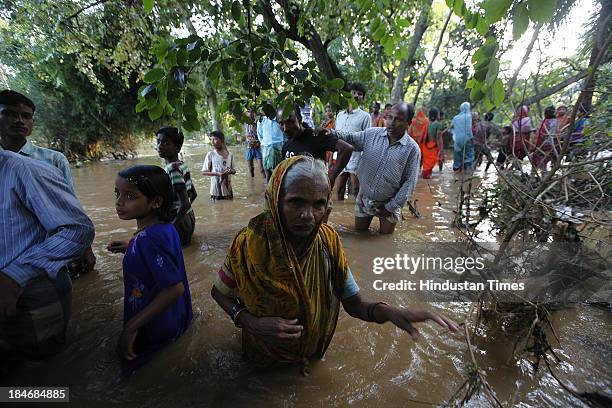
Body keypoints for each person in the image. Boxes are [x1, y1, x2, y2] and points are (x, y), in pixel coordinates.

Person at [210, 156, 458, 371]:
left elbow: (354, 304)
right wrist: (249, 322)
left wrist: (389, 312)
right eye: (296, 202)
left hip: (311, 356)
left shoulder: (327, 242)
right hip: (259, 357)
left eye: (318, 204)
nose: (308, 215)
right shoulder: (248, 243)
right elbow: (219, 292)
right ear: (275, 199)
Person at [0, 151, 95, 361]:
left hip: (31, 297)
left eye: (25, 115)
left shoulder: (29, 168)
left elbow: (78, 228)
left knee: (40, 382)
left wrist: (15, 274)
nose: (19, 121)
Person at [0, 89, 96, 277]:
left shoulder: (53, 159)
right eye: (10, 114)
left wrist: (85, 248)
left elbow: (72, 207)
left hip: (46, 256)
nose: (19, 120)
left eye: (26, 116)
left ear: (32, 123)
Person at [110, 165, 193, 375]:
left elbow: (174, 289)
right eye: (117, 193)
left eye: (130, 196)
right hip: (173, 317)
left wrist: (131, 327)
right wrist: (131, 245)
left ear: (156, 201)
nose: (119, 202)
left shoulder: (149, 240)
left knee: (136, 372)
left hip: (153, 324)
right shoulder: (165, 229)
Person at [325, 103, 420, 235]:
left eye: (398, 119)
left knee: (385, 241)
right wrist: (330, 133)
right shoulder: (372, 134)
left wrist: (390, 207)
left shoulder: (412, 149)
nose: (391, 123)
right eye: (389, 117)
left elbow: (409, 184)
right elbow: (350, 138)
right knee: (360, 235)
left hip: (390, 202)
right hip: (365, 196)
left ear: (408, 123)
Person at [279, 105, 353, 190]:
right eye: (281, 123)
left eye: (289, 122)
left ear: (299, 118)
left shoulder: (316, 135)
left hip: (317, 194)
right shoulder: (286, 146)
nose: (285, 128)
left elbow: (346, 149)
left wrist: (331, 177)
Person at [156, 126, 198, 246]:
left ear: (177, 148)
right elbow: (193, 194)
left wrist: (173, 225)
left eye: (166, 143)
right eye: (158, 142)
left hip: (179, 220)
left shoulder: (172, 170)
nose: (160, 146)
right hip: (188, 216)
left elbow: (184, 203)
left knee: (178, 253)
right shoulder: (181, 165)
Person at [334, 83, 371, 200]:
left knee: (356, 189)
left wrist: (366, 161)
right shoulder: (339, 115)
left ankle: (358, 213)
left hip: (356, 157)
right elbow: (335, 137)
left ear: (362, 98)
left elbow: (367, 139)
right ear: (347, 95)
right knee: (339, 188)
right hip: (340, 155)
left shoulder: (365, 116)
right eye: (353, 92)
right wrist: (331, 159)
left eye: (359, 94)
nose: (356, 95)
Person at [202, 130, 235, 200]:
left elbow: (234, 170)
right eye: (211, 139)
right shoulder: (210, 154)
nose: (212, 142)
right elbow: (204, 172)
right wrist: (218, 174)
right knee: (216, 209)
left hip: (228, 191)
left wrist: (230, 171)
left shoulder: (230, 155)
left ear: (222, 140)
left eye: (215, 139)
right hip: (215, 192)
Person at [257, 111, 286, 182]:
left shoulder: (280, 119)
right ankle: (268, 190)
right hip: (266, 147)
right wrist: (265, 144)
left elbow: (285, 133)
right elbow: (259, 135)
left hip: (279, 146)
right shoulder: (261, 120)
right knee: (268, 173)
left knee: (279, 172)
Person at [532, 106, 558, 170]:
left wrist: (547, 142)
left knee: (544, 160)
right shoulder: (544, 121)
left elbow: (551, 133)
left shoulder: (554, 121)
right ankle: (543, 175)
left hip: (547, 144)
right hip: (540, 143)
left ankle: (546, 176)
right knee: (540, 160)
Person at [421, 107, 445, 179]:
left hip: (426, 148)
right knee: (438, 161)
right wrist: (441, 150)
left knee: (426, 168)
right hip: (434, 147)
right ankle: (439, 174)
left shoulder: (426, 124)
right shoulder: (438, 124)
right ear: (437, 115)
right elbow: (438, 137)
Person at [451, 102, 475, 172]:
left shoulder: (455, 117)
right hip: (467, 139)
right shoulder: (469, 116)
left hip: (457, 140)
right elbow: (469, 130)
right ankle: (467, 176)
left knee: (457, 159)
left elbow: (452, 127)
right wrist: (472, 140)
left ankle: (455, 175)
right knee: (469, 158)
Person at [244, 108, 265, 179]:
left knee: (261, 168)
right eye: (248, 112)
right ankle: (252, 182)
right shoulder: (246, 124)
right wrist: (248, 138)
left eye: (252, 112)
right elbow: (246, 135)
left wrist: (257, 141)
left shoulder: (259, 122)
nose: (250, 114)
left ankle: (265, 184)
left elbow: (262, 135)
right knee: (250, 168)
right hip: (249, 147)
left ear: (254, 114)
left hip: (257, 147)